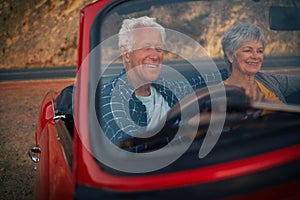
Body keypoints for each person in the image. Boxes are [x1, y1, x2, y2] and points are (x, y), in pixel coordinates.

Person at [98, 16, 227, 152]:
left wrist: (236, 73)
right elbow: (131, 148)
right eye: (146, 47)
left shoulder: (162, 87)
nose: (155, 56)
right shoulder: (111, 97)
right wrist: (187, 130)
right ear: (126, 54)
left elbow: (197, 83)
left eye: (159, 48)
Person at [221, 22, 300, 105]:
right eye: (248, 50)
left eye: (260, 51)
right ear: (230, 55)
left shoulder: (269, 81)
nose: (256, 56)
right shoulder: (219, 93)